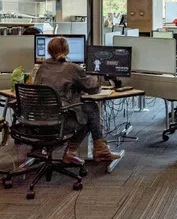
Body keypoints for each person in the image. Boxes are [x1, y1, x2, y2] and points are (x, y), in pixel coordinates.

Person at [34, 37, 121, 165]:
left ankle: (79, 152)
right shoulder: (72, 68)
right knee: (90, 112)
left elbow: (38, 90)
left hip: (37, 119)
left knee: (87, 111)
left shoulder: (43, 67)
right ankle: (83, 151)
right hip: (59, 121)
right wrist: (94, 73)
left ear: (49, 51)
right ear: (67, 50)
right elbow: (94, 89)